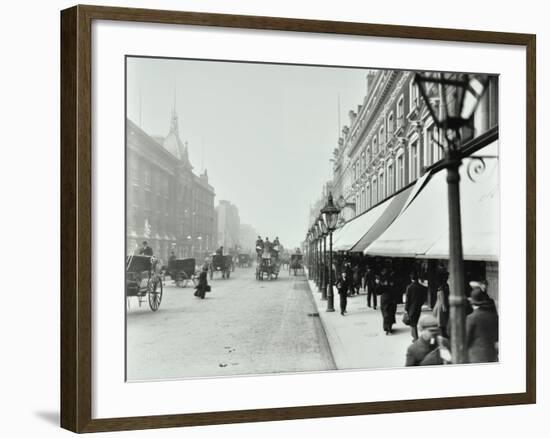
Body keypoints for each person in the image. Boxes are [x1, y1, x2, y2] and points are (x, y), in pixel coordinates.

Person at [466, 287, 499, 363]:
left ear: (473, 304)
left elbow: (466, 340)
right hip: (492, 356)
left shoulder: (471, 318)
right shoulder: (494, 316)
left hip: (475, 357)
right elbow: (497, 337)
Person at [404, 272, 428, 341]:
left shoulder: (409, 287)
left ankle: (415, 338)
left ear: (411, 279)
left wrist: (406, 309)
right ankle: (414, 337)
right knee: (415, 322)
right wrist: (421, 303)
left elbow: (407, 300)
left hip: (411, 308)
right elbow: (424, 297)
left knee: (413, 323)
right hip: (418, 307)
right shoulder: (421, 287)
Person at [378, 268, 397, 335]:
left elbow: (378, 291)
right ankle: (389, 328)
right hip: (390, 298)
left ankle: (387, 328)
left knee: (386, 314)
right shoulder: (392, 280)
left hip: (385, 299)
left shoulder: (382, 280)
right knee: (390, 313)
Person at [433, 270, 450, 337]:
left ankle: (443, 334)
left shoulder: (445, 285)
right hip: (441, 306)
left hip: (443, 304)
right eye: (446, 277)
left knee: (443, 322)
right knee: (441, 322)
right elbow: (442, 297)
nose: (447, 278)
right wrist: (444, 307)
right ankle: (442, 335)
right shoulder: (442, 287)